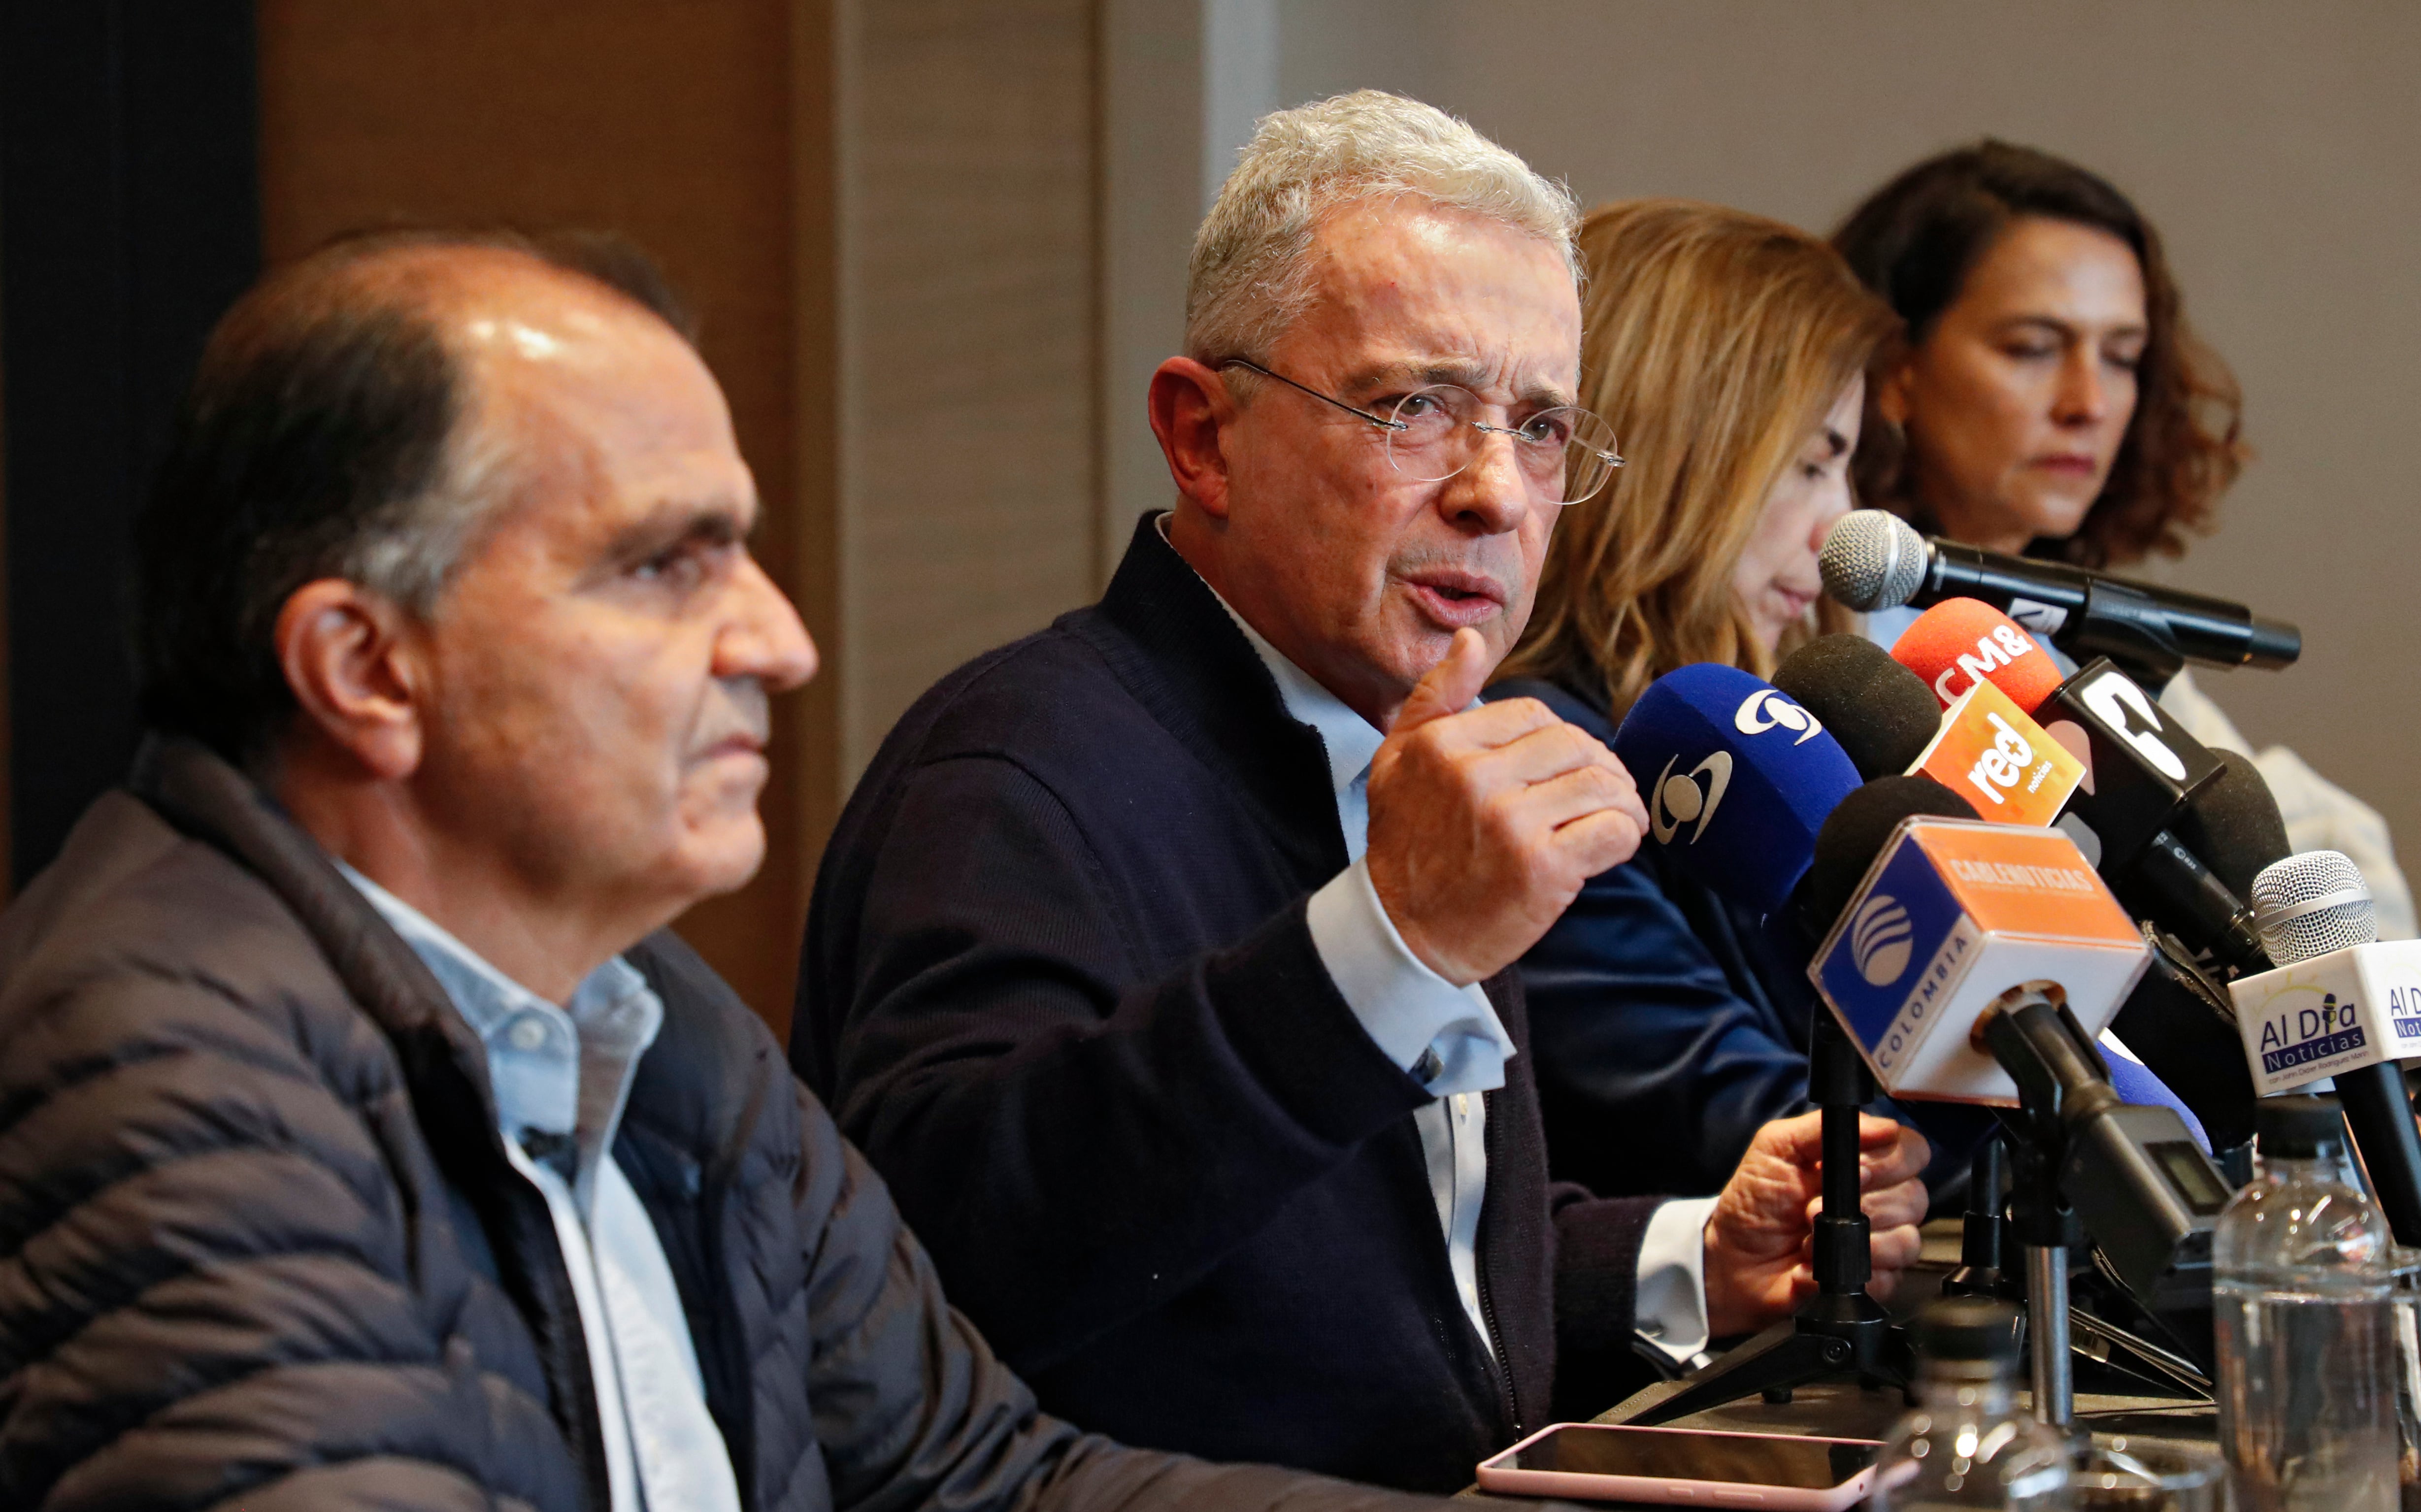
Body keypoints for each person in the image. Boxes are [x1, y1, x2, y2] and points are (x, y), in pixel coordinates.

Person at [0, 230, 1465, 1512]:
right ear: (367, 667)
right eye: (664, 565)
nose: (780, 641)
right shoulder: (163, 1063)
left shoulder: (648, 1005)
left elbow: (975, 1478)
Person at [793, 92, 1932, 1493]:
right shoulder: (1014, 771)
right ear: (1202, 435)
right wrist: (1388, 948)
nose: (1495, 493)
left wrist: (1680, 1253)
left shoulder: (1412, 730)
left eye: (1539, 427)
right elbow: (949, 1267)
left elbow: (1364, 1271)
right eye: (1413, 406)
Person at [1484, 199, 1987, 1200]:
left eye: (1843, 467)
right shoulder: (1539, 761)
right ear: (1684, 456)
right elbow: (1775, 1137)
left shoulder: (1779, 757)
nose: (1839, 526)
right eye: (1808, 464)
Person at [1833, 138, 2414, 937]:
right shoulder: (1822, 622)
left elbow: (2318, 853)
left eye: (2123, 357)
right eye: (2033, 348)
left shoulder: (2086, 636)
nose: (2090, 402)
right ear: (1898, 369)